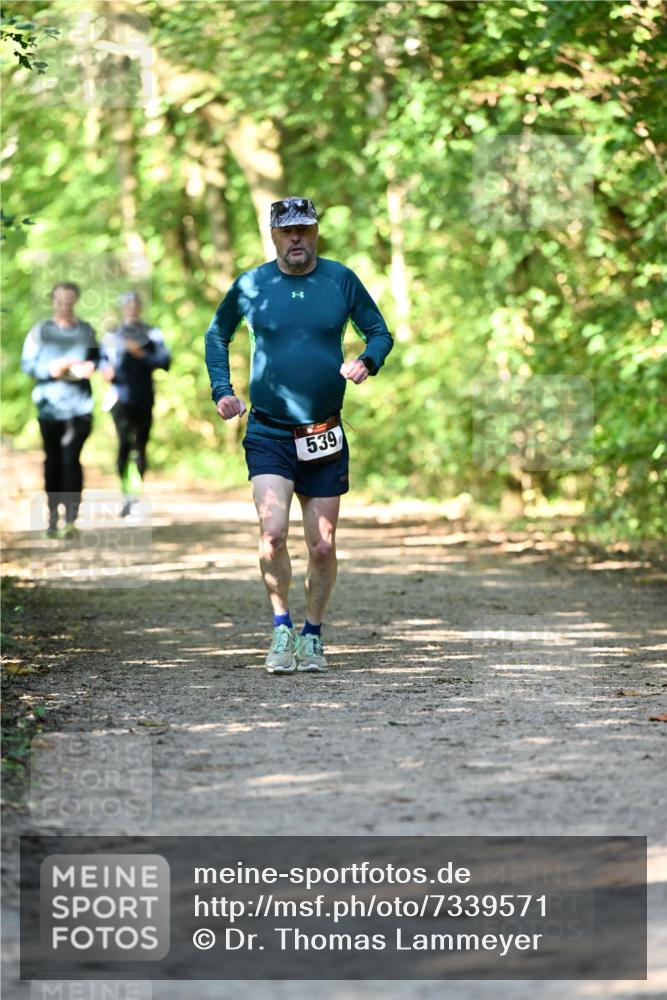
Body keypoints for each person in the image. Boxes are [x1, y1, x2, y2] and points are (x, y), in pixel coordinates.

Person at [205, 197, 393, 674]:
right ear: (273, 234)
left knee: (323, 545)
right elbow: (216, 335)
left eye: (304, 230)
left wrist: (366, 361)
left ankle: (313, 634)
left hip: (324, 432)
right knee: (271, 533)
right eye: (287, 231)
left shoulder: (340, 279)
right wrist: (223, 391)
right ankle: (281, 628)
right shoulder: (251, 284)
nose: (296, 239)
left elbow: (379, 332)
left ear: (316, 232)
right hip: (268, 430)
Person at [21, 281, 99, 538]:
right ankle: (53, 516)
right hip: (49, 408)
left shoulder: (86, 330)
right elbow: (27, 365)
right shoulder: (40, 331)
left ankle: (71, 520)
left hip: (80, 406)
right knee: (53, 460)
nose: (65, 305)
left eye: (69, 301)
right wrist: (50, 370)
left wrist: (91, 366)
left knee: (71, 458)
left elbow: (98, 358)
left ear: (75, 301)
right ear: (52, 301)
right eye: (60, 301)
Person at [100, 292, 171, 517]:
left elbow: (165, 361)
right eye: (127, 305)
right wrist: (105, 369)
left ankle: (135, 494)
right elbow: (101, 359)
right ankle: (125, 496)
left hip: (144, 398)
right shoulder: (113, 335)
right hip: (119, 399)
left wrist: (140, 354)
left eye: (134, 305)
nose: (131, 309)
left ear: (140, 308)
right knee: (123, 445)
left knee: (140, 447)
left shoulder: (151, 333)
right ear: (122, 308)